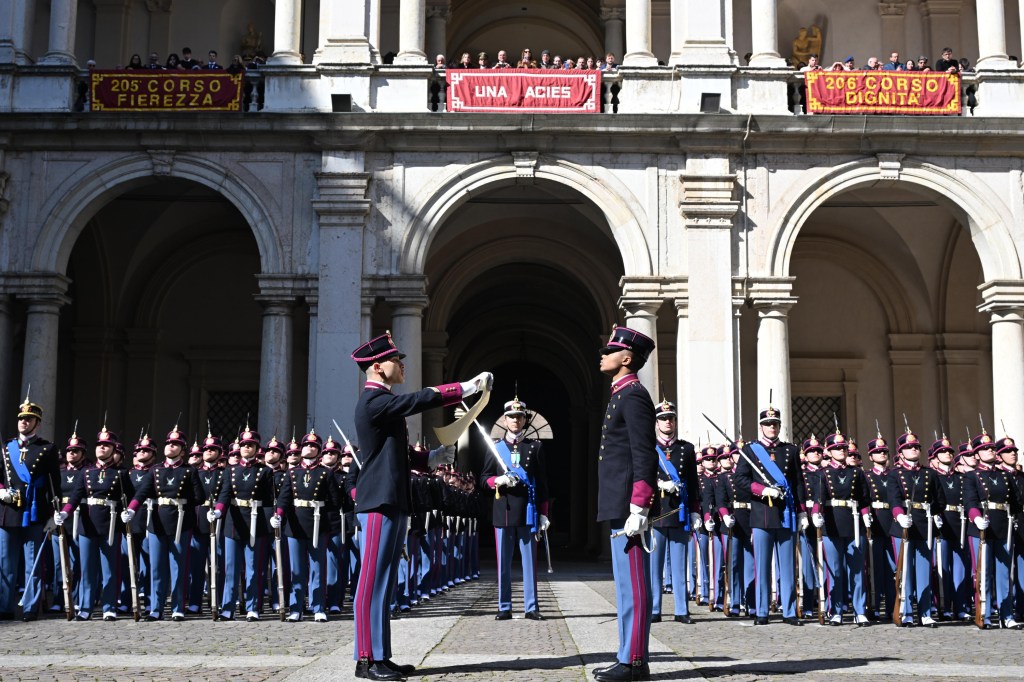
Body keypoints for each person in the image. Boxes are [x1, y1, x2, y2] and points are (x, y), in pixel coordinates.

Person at [349, 331, 486, 681]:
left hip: (393, 499)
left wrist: (431, 458)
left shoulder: (383, 403)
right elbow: (419, 400)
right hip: (378, 501)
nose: (402, 365)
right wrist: (464, 388)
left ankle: (380, 655)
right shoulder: (374, 401)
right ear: (377, 367)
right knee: (370, 581)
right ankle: (365, 658)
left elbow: (398, 453)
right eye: (396, 361)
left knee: (385, 581)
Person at [592, 326, 657, 682]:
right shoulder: (620, 394)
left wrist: (640, 506)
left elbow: (644, 454)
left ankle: (634, 662)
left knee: (634, 585)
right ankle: (627, 656)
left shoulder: (633, 395)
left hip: (630, 505)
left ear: (627, 358)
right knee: (624, 586)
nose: (603, 355)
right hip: (619, 502)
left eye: (610, 351)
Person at [733, 405, 806, 626]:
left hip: (786, 514)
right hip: (762, 514)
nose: (771, 427)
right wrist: (762, 490)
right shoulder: (751, 450)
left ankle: (789, 611)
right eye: (767, 424)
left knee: (788, 566)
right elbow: (740, 480)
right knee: (762, 566)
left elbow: (798, 483)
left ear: (779, 426)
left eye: (774, 424)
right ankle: (762, 611)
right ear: (761, 427)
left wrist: (802, 512)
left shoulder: (790, 450)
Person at [481, 394, 550, 621]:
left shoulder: (535, 447)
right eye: (511, 417)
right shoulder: (495, 448)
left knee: (529, 562)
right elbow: (483, 479)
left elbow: (543, 483)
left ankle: (531, 607)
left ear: (524, 420)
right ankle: (504, 606)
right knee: (503, 563)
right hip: (504, 510)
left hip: (528, 510)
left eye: (519, 417)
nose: (515, 420)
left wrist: (543, 513)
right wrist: (497, 481)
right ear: (505, 419)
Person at [123, 428, 204, 621]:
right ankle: (156, 608)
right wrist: (132, 509)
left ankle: (177, 607)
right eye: (168, 443)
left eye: (175, 444)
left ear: (182, 451)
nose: (170, 446)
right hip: (157, 522)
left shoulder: (189, 471)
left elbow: (199, 497)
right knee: (156, 567)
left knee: (178, 568)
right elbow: (142, 492)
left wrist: (182, 500)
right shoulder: (155, 470)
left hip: (180, 522)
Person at [55, 428, 131, 622]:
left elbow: (129, 497)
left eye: (106, 445)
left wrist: (129, 511)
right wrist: (65, 512)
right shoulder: (87, 472)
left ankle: (109, 607)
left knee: (109, 569)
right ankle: (85, 607)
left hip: (110, 524)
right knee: (87, 569)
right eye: (99, 445)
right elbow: (76, 496)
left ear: (113, 449)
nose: (101, 448)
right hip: (88, 523)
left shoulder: (121, 473)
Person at [0, 395, 60, 621]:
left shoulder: (47, 448)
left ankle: (30, 607)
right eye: (21, 418)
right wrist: (1, 492)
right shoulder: (6, 448)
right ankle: (5, 606)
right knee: (6, 562)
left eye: (29, 419)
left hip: (35, 511)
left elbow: (54, 484)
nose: (23, 422)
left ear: (37, 423)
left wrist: (55, 513)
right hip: (8, 511)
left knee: (33, 563)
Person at [272, 429, 340, 622]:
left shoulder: (325, 473)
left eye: (313, 446)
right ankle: (296, 608)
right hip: (296, 524)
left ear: (319, 451)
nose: (309, 448)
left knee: (317, 568)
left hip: (318, 524)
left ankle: (318, 607)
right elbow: (284, 498)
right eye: (307, 445)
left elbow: (334, 502)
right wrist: (278, 515)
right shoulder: (292, 473)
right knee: (297, 569)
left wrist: (328, 525)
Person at [212, 427, 275, 621]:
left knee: (253, 568)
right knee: (230, 568)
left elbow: (268, 500)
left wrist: (271, 521)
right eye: (244, 445)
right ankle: (227, 608)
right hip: (234, 521)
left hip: (256, 522)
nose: (246, 448)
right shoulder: (230, 470)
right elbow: (224, 494)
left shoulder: (265, 471)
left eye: (250, 445)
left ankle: (252, 607)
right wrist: (218, 511)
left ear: (257, 448)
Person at [808, 430, 870, 626]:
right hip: (832, 522)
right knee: (834, 571)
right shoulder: (823, 473)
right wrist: (816, 514)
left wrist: (866, 516)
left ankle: (860, 610)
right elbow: (819, 497)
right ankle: (835, 610)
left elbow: (864, 498)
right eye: (837, 448)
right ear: (829, 451)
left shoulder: (856, 472)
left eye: (843, 448)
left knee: (857, 571)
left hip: (854, 522)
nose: (841, 451)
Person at [964, 430, 1020, 628]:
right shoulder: (971, 476)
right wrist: (976, 517)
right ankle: (985, 614)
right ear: (977, 454)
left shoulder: (1005, 475)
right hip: (982, 528)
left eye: (992, 448)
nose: (990, 451)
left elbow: (1015, 501)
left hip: (1003, 526)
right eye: (985, 448)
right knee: (984, 573)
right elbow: (969, 501)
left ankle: (1007, 615)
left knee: (1004, 574)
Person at [888, 428, 944, 627]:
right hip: (903, 525)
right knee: (905, 571)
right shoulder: (895, 474)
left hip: (924, 524)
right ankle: (906, 612)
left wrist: (934, 513)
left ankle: (925, 612)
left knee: (923, 571)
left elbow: (939, 499)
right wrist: (899, 515)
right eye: (909, 447)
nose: (913, 450)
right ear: (901, 452)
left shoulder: (929, 473)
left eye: (916, 447)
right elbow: (893, 499)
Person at [649, 399, 698, 623]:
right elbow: (641, 477)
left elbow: (693, 483)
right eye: (663, 419)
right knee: (655, 566)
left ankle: (681, 610)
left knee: (679, 565)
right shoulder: (649, 448)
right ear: (656, 423)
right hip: (657, 513)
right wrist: (658, 484)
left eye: (670, 418)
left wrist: (695, 511)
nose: (667, 422)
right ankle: (654, 609)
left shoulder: (686, 449)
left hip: (679, 512)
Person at [717, 438, 755, 617]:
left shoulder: (754, 476)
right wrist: (725, 515)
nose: (739, 457)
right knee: (733, 563)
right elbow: (721, 500)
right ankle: (735, 601)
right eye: (736, 454)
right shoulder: (724, 477)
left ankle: (751, 601)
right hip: (732, 522)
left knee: (751, 564)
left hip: (751, 520)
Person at [187, 434, 224, 615]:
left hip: (219, 522)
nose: (209, 451)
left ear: (219, 453)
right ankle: (195, 602)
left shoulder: (224, 473)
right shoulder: (195, 472)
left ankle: (219, 600)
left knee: (219, 565)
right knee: (197, 565)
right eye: (206, 449)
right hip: (199, 520)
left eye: (213, 449)